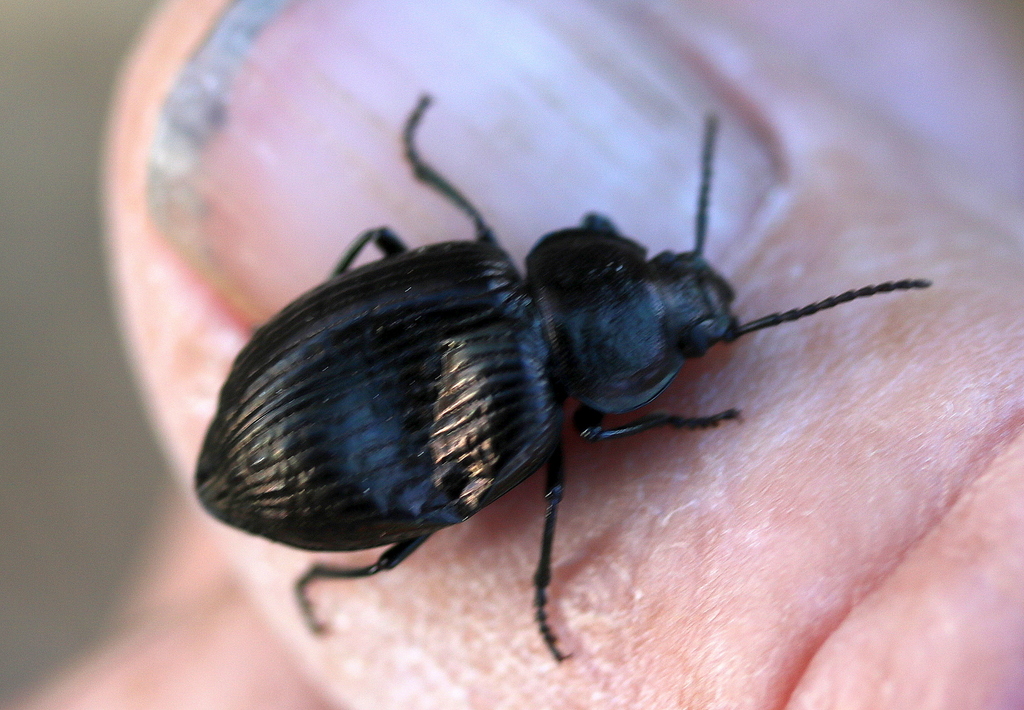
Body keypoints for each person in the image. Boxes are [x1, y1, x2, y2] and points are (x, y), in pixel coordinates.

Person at [16, 0, 1024, 707]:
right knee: (452, 518)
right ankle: (335, 577)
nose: (696, 291)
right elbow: (614, 428)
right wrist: (684, 418)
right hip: (296, 414)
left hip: (295, 389)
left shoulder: (502, 280)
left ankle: (329, 577)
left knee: (389, 291)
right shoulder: (550, 397)